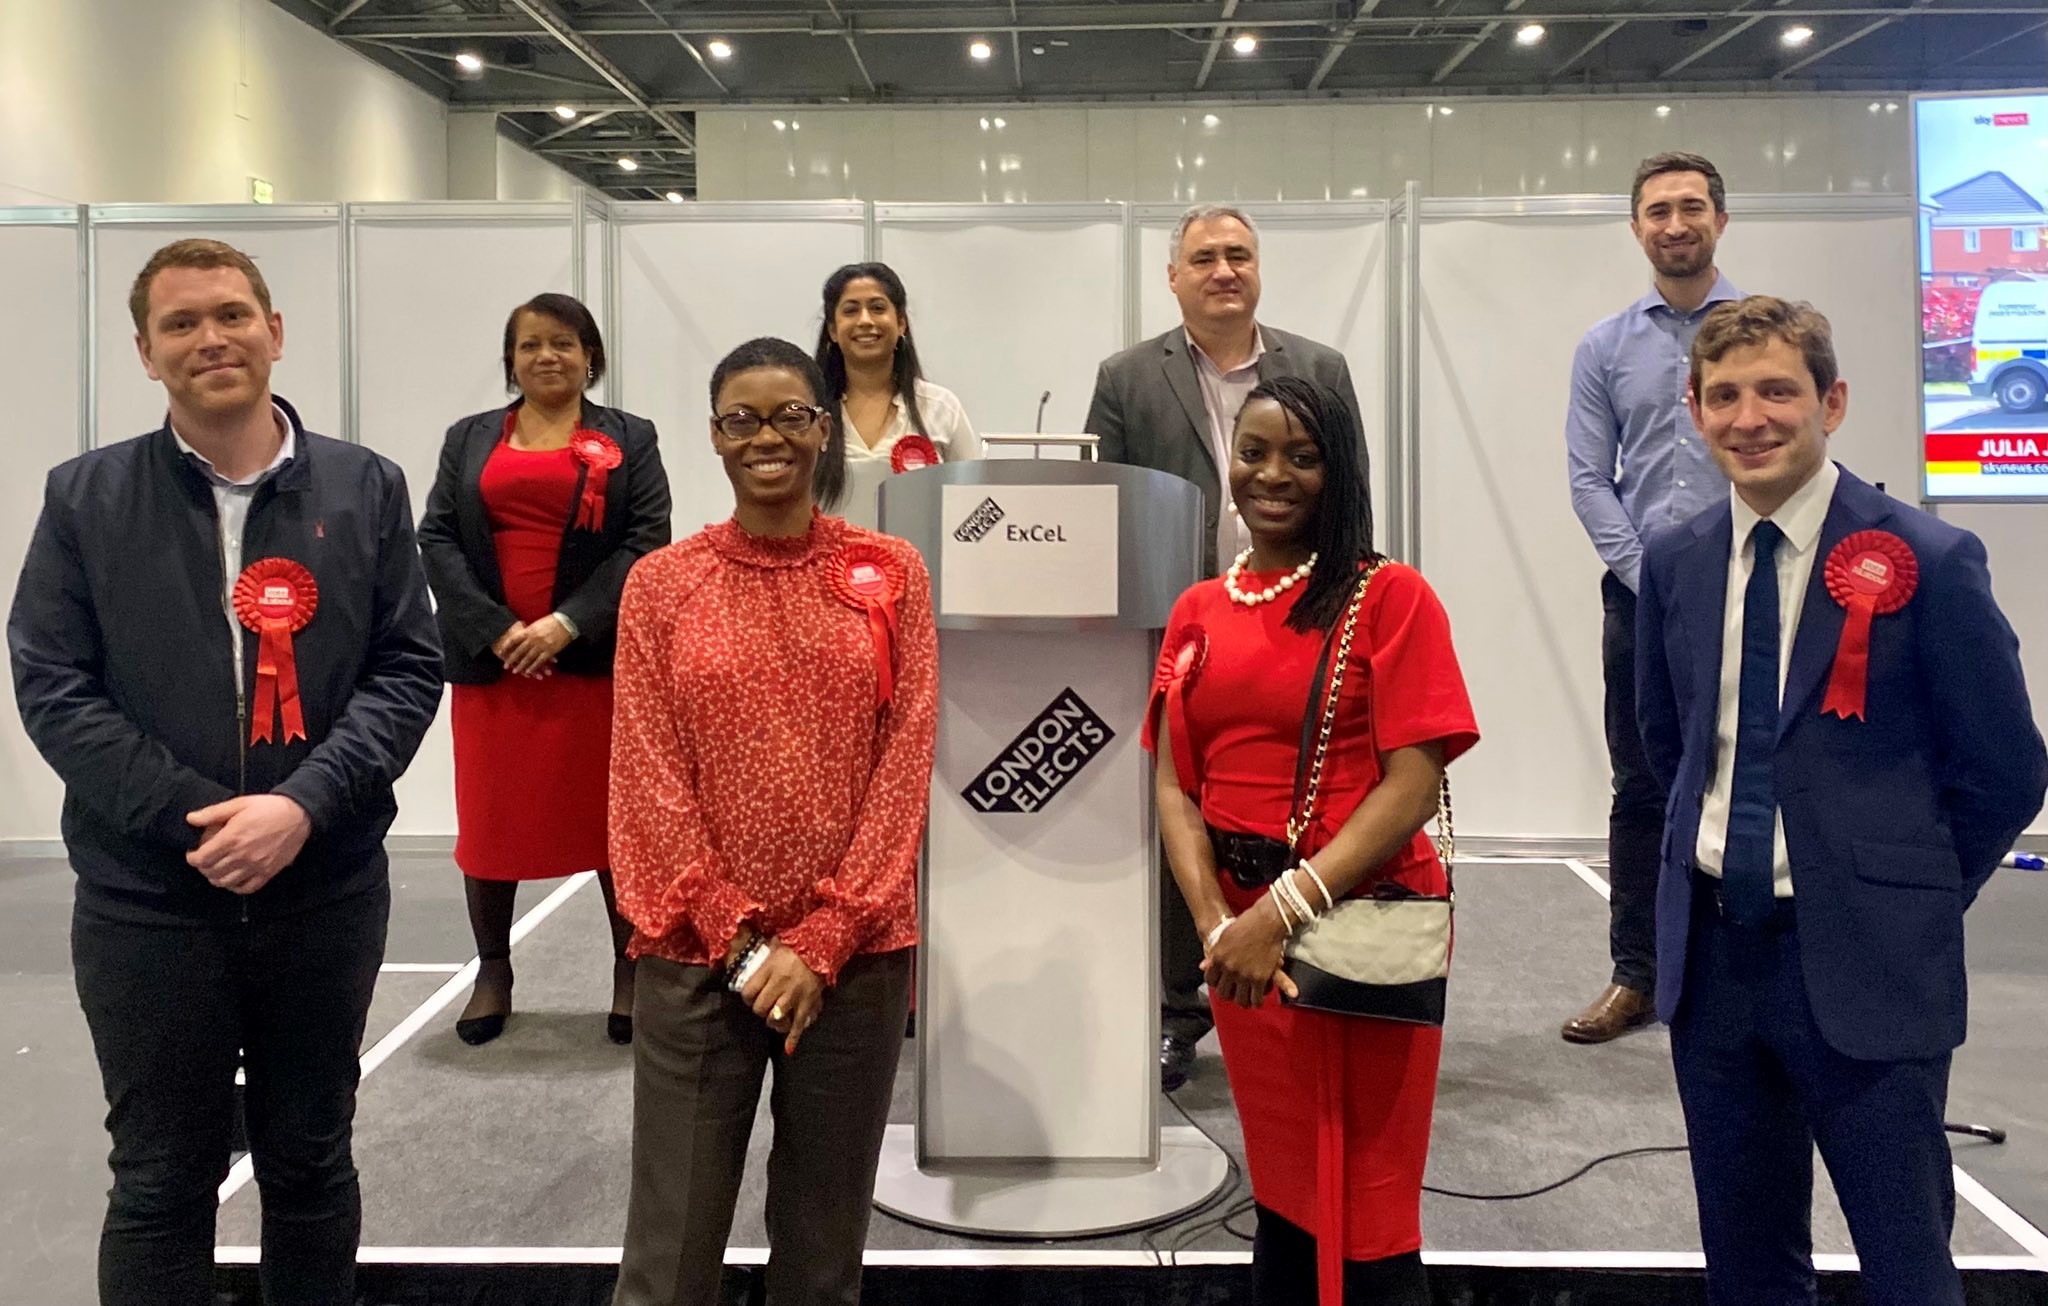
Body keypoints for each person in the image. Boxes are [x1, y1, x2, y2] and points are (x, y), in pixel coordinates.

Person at [7, 238, 442, 1306]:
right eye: (182, 324)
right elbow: (53, 684)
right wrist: (206, 818)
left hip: (324, 891)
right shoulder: (85, 498)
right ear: (147, 354)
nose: (212, 339)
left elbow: (406, 667)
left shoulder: (367, 486)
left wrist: (299, 807)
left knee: (308, 1160)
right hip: (148, 902)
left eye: (233, 315)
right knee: (160, 1178)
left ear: (275, 331)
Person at [1636, 296, 2046, 1306]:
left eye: (1777, 390)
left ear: (1832, 401)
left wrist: (1901, 895)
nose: (1749, 418)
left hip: (1869, 966)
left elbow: (2003, 768)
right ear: (1693, 409)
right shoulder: (1674, 560)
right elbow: (1664, 739)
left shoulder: (1929, 561)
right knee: (1746, 1262)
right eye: (1723, 395)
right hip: (1716, 967)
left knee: (1905, 1258)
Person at [608, 337, 937, 1306]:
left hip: (856, 959)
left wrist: (828, 932)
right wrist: (740, 941)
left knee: (822, 1255)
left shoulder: (892, 572)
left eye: (790, 415)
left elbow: (905, 760)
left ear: (822, 428)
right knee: (668, 1262)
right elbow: (646, 773)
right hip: (696, 956)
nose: (768, 436)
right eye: (743, 418)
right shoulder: (661, 586)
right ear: (713, 435)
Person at [1146, 376, 1477, 1306]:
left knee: (1368, 1213)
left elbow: (1415, 782)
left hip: (1353, 927)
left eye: (1302, 454)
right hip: (1247, 951)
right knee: (1287, 1196)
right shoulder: (1198, 610)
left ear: (1340, 470)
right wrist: (1219, 925)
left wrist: (1280, 912)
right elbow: (1175, 781)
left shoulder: (1391, 596)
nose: (1273, 475)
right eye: (1253, 452)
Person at [1087, 202, 1368, 1091]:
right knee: (1186, 814)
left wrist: (1347, 606)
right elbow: (1106, 513)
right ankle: (1183, 1005)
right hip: (1184, 631)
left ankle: (1318, 973)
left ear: (1259, 269)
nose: (1223, 270)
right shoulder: (1127, 377)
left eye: (1238, 255)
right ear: (1173, 277)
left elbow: (1351, 491)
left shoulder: (1318, 368)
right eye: (1203, 257)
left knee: (1305, 804)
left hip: (1299, 619)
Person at [418, 292, 672, 1046]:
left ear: (591, 355)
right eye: (529, 345)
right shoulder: (468, 439)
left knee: (613, 826)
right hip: (495, 668)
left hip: (591, 663)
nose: (546, 356)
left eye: (563, 342)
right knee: (492, 824)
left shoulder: (632, 438)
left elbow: (645, 540)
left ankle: (630, 973)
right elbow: (436, 536)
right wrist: (497, 630)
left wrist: (564, 625)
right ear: (511, 360)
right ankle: (493, 972)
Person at [1561, 152, 1744, 1044]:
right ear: (1636, 228)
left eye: (1692, 207)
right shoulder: (1605, 346)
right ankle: (1637, 975)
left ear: (1720, 219)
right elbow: (1590, 478)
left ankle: (1736, 969)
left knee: (1746, 771)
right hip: (1641, 600)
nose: (1676, 223)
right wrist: (1654, 576)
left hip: (1754, 590)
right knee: (1641, 786)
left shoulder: (1759, 335)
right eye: (1658, 211)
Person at [812, 261, 980, 532]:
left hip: (924, 572)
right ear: (832, 329)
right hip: (826, 573)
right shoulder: (809, 413)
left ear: (901, 322)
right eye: (851, 310)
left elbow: (976, 503)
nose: (865, 320)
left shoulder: (940, 408)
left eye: (877, 308)